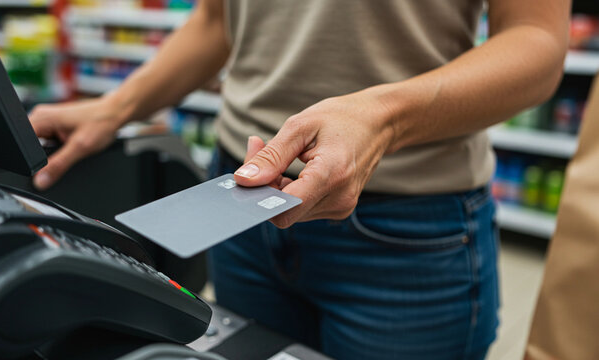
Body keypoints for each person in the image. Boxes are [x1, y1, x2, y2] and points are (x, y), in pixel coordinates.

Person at [29, 1, 570, 359]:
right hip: (239, 208)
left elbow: (536, 41)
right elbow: (219, 19)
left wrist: (383, 115)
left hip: (406, 231)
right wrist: (114, 108)